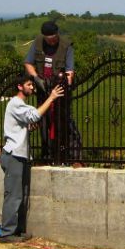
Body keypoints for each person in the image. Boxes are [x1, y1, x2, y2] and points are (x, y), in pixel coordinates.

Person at [0, 75, 64, 243]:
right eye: (29, 85)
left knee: (21, 195)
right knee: (13, 195)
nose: (32, 88)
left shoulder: (20, 105)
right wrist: (51, 97)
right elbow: (34, 115)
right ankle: (6, 233)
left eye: (33, 85)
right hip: (14, 156)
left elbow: (26, 122)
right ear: (20, 86)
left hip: (21, 156)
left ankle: (17, 230)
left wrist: (27, 127)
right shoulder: (15, 103)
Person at [24, 21, 75, 161]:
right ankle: (46, 153)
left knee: (61, 123)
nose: (51, 41)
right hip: (42, 92)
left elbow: (70, 72)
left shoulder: (66, 46)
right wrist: (36, 78)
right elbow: (28, 63)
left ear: (57, 34)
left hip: (59, 93)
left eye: (53, 38)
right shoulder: (38, 42)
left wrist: (64, 86)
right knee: (43, 122)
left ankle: (62, 154)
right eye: (48, 39)